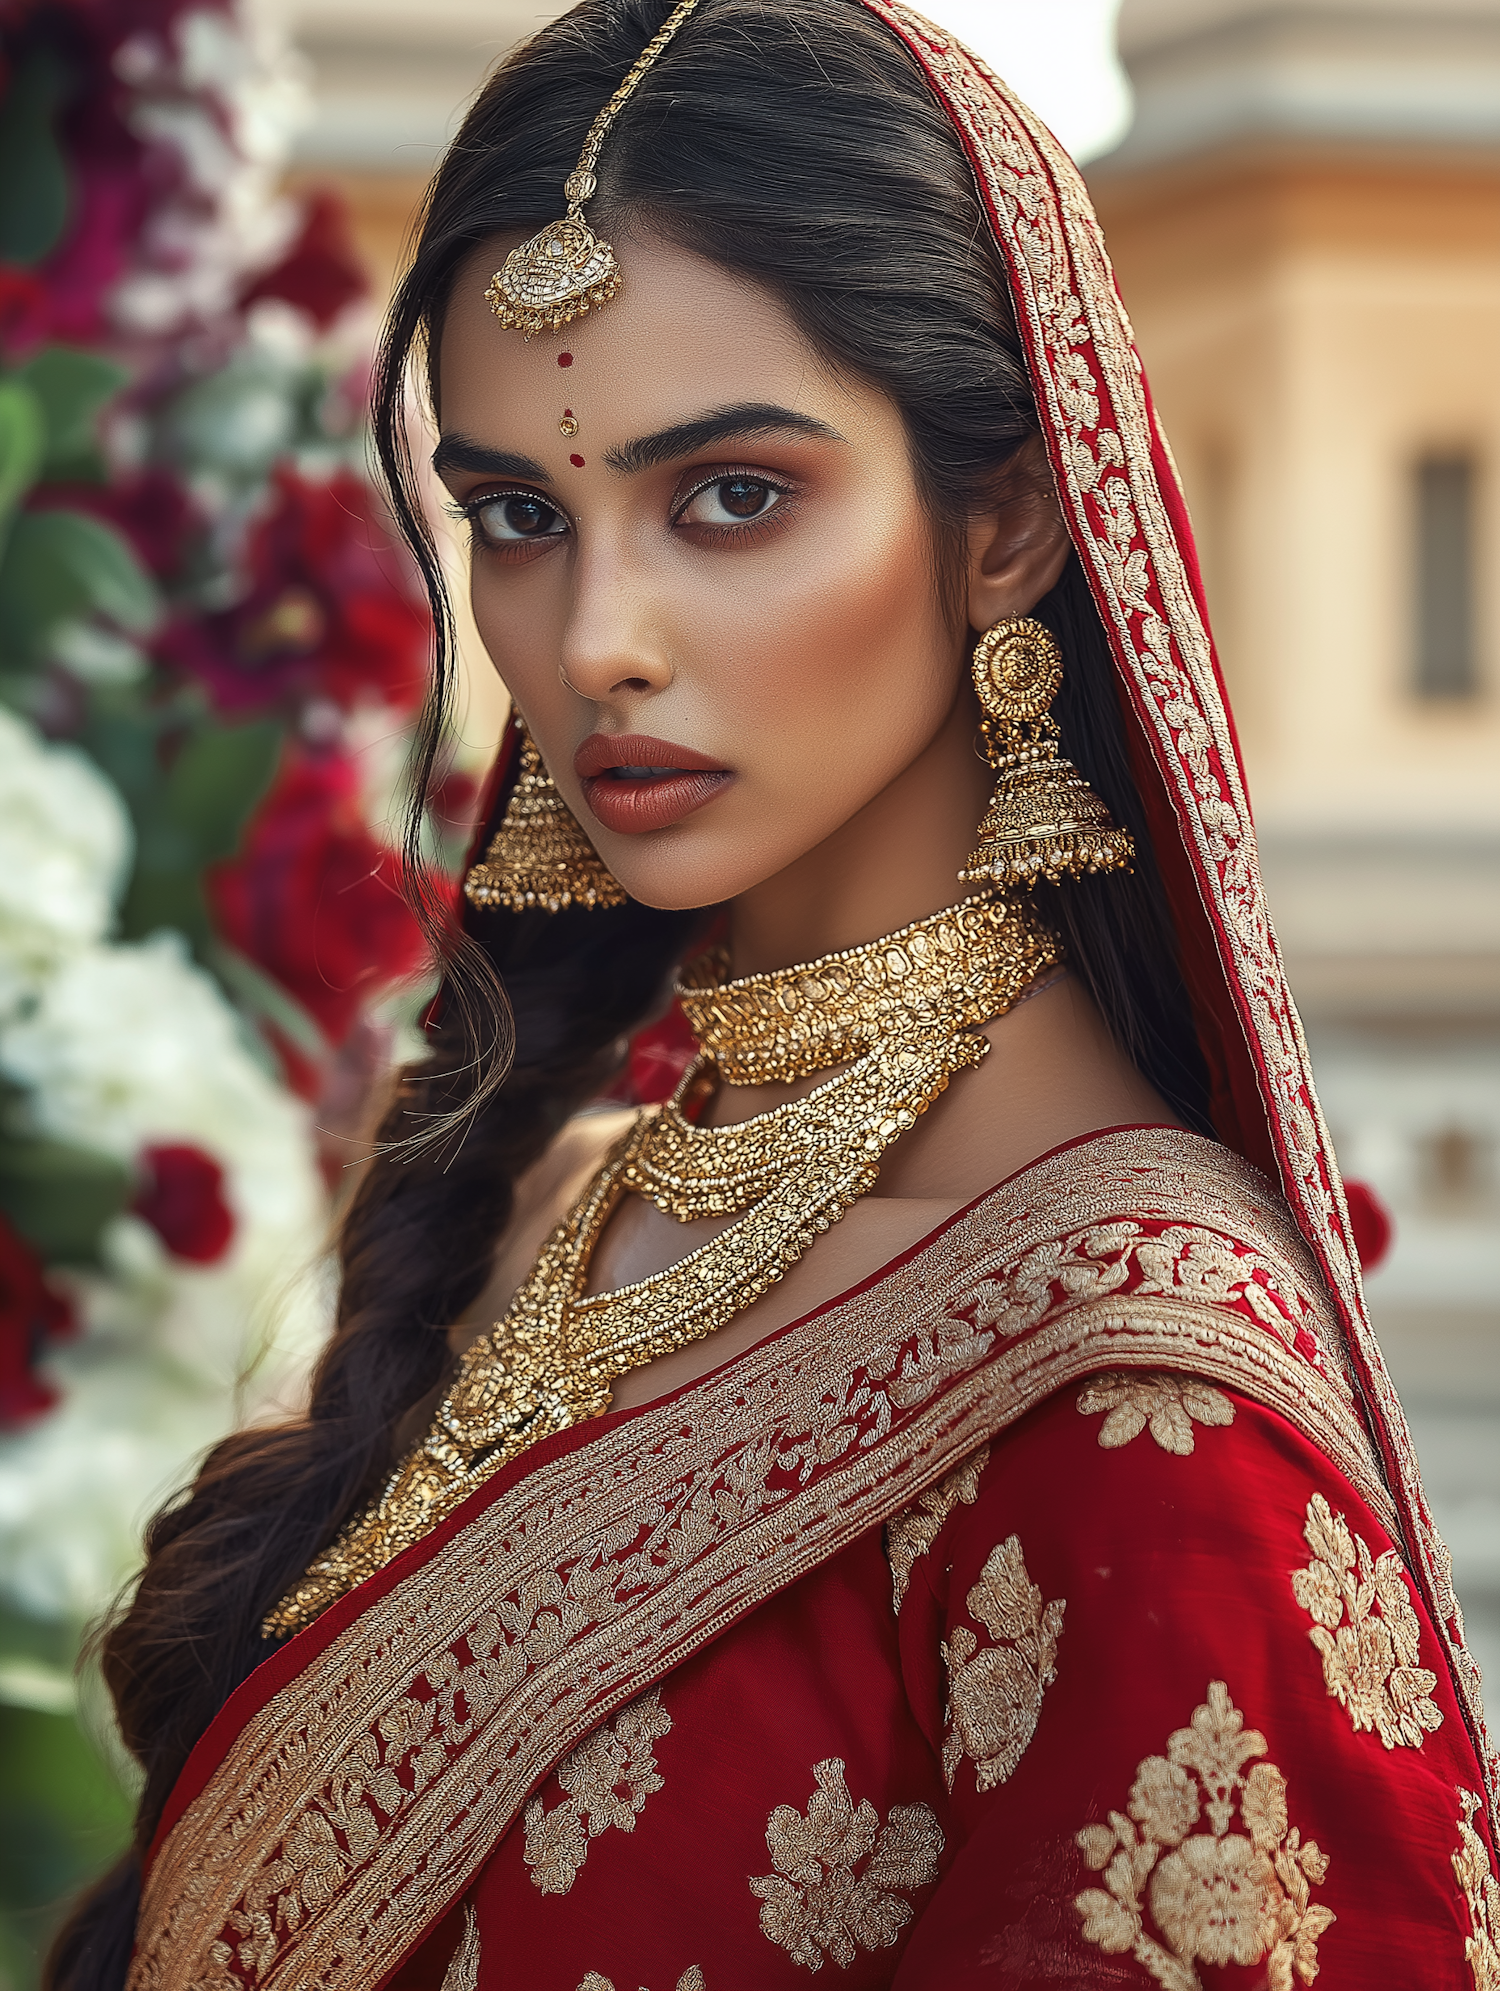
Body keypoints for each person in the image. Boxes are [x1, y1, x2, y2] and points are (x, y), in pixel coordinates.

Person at [52, 2, 1500, 1986]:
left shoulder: (1143, 1412)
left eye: (730, 495)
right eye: (519, 515)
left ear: (1001, 524)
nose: (599, 641)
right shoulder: (563, 1204)